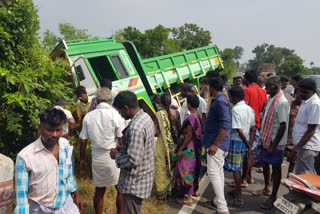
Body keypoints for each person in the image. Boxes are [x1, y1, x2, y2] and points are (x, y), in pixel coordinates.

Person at [14, 108, 83, 213]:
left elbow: (68, 173)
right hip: (41, 209)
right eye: (50, 130)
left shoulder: (65, 145)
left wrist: (76, 194)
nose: (55, 134)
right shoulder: (25, 157)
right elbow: (21, 197)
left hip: (67, 205)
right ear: (40, 128)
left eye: (58, 130)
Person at [79, 88, 125, 214]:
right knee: (120, 189)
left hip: (97, 158)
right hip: (114, 157)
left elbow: (83, 140)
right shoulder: (116, 115)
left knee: (99, 190)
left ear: (97, 101)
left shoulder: (89, 116)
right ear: (111, 101)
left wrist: (82, 159)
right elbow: (121, 139)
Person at [110, 91, 155, 214]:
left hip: (134, 182)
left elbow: (133, 160)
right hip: (144, 175)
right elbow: (141, 148)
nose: (119, 114)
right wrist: (124, 147)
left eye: (120, 111)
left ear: (126, 108)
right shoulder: (145, 117)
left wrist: (116, 156)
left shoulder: (136, 128)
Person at [253, 76, 289, 210]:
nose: (265, 88)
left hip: (275, 143)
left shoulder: (282, 102)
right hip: (267, 139)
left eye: (267, 86)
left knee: (276, 169)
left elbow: (283, 125)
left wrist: (273, 146)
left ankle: (273, 196)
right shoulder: (271, 99)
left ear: (274, 87)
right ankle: (267, 188)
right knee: (265, 165)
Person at [224, 86, 256, 208]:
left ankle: (238, 198)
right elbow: (253, 128)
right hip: (245, 141)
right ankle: (236, 191)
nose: (230, 99)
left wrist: (247, 143)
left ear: (235, 97)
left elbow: (238, 129)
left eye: (231, 97)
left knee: (235, 170)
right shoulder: (249, 109)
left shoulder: (235, 109)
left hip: (237, 141)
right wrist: (250, 143)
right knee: (239, 167)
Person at [204, 77, 231, 214]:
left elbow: (225, 125)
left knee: (214, 173)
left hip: (217, 144)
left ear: (212, 88)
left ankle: (222, 208)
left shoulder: (220, 102)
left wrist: (215, 144)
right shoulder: (220, 100)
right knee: (218, 173)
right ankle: (217, 201)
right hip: (217, 143)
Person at [173, 94, 202, 204]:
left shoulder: (191, 118)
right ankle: (194, 191)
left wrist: (181, 148)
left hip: (188, 149)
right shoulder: (197, 115)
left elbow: (189, 135)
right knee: (193, 170)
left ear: (189, 105)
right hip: (195, 148)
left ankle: (187, 197)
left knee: (185, 171)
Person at [289, 78, 320, 174]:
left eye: (305, 92)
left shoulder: (314, 104)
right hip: (302, 146)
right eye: (300, 91)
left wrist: (296, 148)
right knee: (301, 174)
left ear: (313, 91)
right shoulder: (306, 100)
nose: (301, 94)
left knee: (305, 176)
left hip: (307, 147)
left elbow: (311, 130)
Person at [242, 70, 268, 185]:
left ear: (246, 79)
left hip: (247, 126)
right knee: (251, 153)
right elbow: (264, 109)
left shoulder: (247, 91)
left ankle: (243, 179)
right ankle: (249, 176)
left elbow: (243, 108)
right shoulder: (263, 92)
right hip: (257, 125)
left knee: (246, 153)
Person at [154, 93, 181, 200]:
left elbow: (154, 133)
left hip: (162, 146)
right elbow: (179, 130)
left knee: (161, 167)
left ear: (160, 103)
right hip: (173, 144)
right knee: (172, 167)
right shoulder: (177, 113)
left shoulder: (158, 114)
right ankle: (171, 190)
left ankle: (162, 194)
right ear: (170, 102)